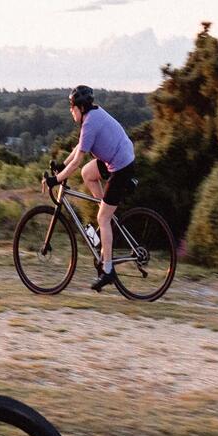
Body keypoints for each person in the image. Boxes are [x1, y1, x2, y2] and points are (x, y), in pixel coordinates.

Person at [52, 83, 136, 292]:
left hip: (121, 167)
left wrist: (57, 179)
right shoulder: (91, 118)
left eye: (71, 107)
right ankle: (105, 212)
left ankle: (108, 271)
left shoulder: (90, 123)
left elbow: (77, 160)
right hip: (116, 159)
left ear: (80, 108)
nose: (70, 111)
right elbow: (79, 148)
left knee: (102, 219)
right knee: (87, 174)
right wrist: (62, 164)